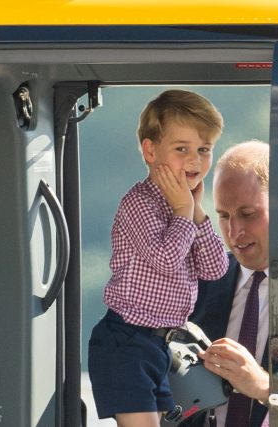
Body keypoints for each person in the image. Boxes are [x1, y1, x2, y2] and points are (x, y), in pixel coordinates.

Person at [87, 89, 229, 427]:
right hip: (125, 341)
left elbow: (215, 268)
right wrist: (183, 211)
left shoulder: (185, 209)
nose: (195, 161)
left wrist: (196, 214)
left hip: (160, 344)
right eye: (182, 149)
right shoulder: (140, 203)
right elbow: (165, 259)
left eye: (204, 150)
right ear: (150, 151)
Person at [188, 140, 270, 427]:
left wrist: (264, 387)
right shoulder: (197, 279)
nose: (234, 232)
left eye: (248, 214)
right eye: (223, 216)